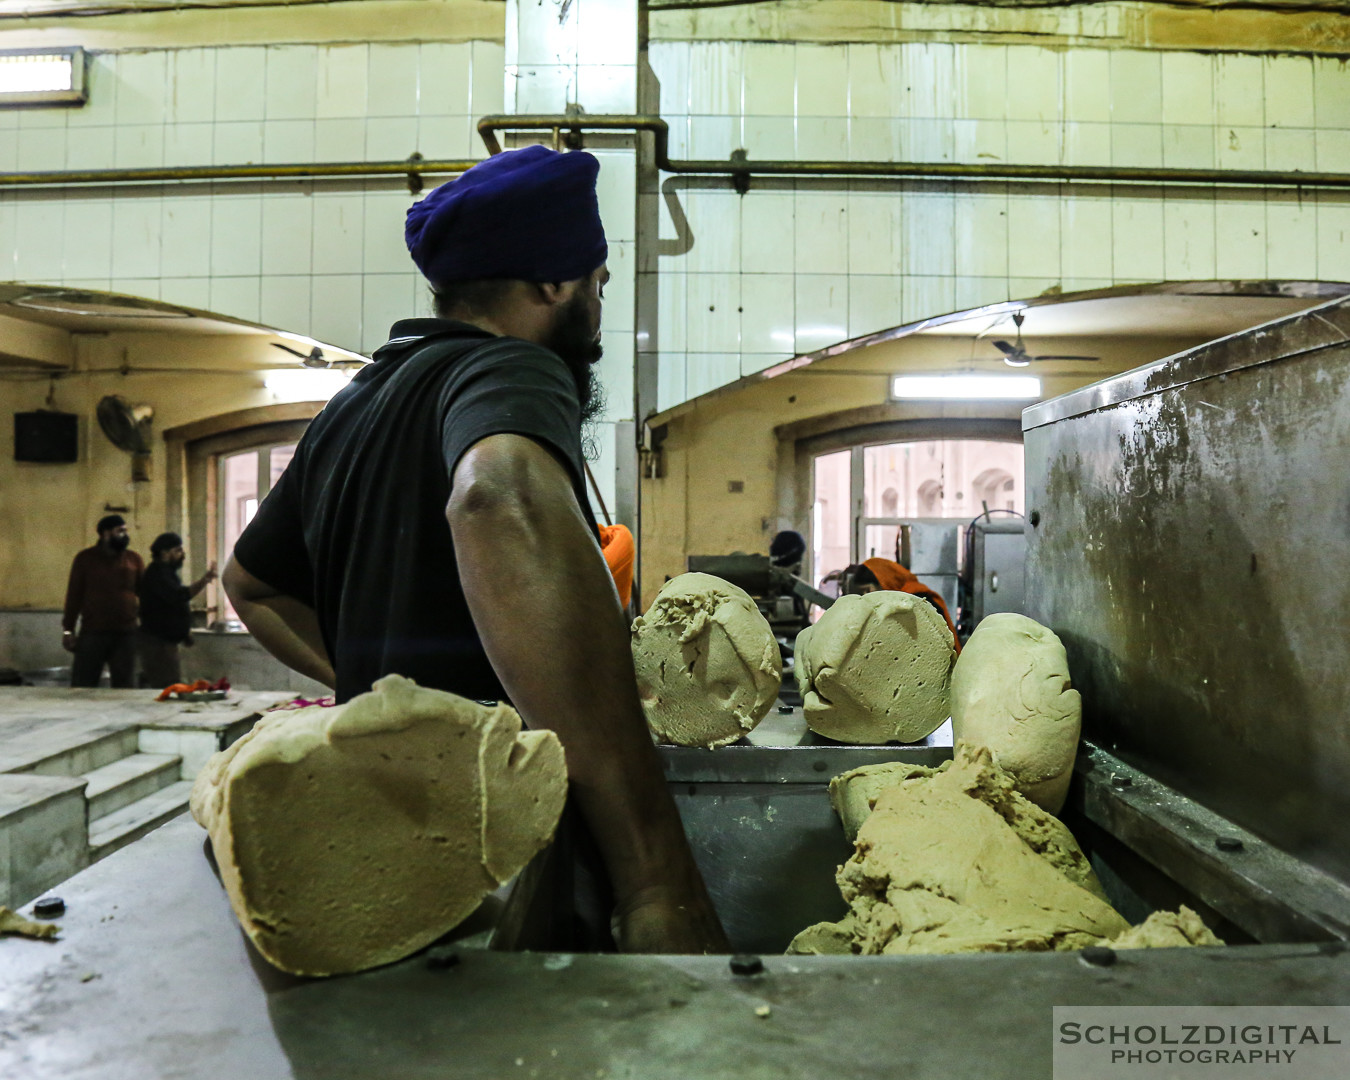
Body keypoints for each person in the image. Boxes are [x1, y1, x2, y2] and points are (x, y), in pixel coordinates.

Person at [222, 145, 727, 955]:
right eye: (599, 281)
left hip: (386, 845)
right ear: (556, 282)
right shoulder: (512, 367)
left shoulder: (358, 401)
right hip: (496, 849)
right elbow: (496, 493)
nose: (599, 301)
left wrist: (383, 699)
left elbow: (249, 584)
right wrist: (656, 879)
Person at [62, 514, 143, 688]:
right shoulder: (85, 559)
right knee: (83, 685)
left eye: (125, 531)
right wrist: (68, 629)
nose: (125, 535)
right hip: (93, 632)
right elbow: (74, 595)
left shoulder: (133, 559)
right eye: (120, 531)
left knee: (125, 686)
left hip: (126, 633)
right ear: (106, 534)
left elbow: (144, 593)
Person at [137, 532, 218, 688]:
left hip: (165, 641)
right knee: (166, 686)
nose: (182, 555)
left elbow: (175, 607)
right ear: (164, 553)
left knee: (171, 683)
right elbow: (178, 596)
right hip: (157, 642)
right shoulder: (156, 574)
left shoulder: (167, 573)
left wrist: (184, 631)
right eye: (178, 550)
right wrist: (204, 580)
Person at [847, 557, 961, 651]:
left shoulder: (916, 601)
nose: (866, 596)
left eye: (867, 590)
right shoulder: (897, 602)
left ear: (885, 581)